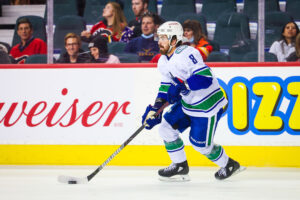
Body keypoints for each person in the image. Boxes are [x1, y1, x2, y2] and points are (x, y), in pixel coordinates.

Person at [142, 21, 244, 181]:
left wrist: (183, 85)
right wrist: (156, 109)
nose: (159, 42)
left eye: (163, 38)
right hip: (188, 103)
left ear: (174, 40)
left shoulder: (187, 53)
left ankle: (229, 164)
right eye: (158, 38)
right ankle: (180, 166)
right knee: (165, 128)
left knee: (200, 145)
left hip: (207, 105)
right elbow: (165, 86)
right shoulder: (163, 61)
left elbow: (205, 78)